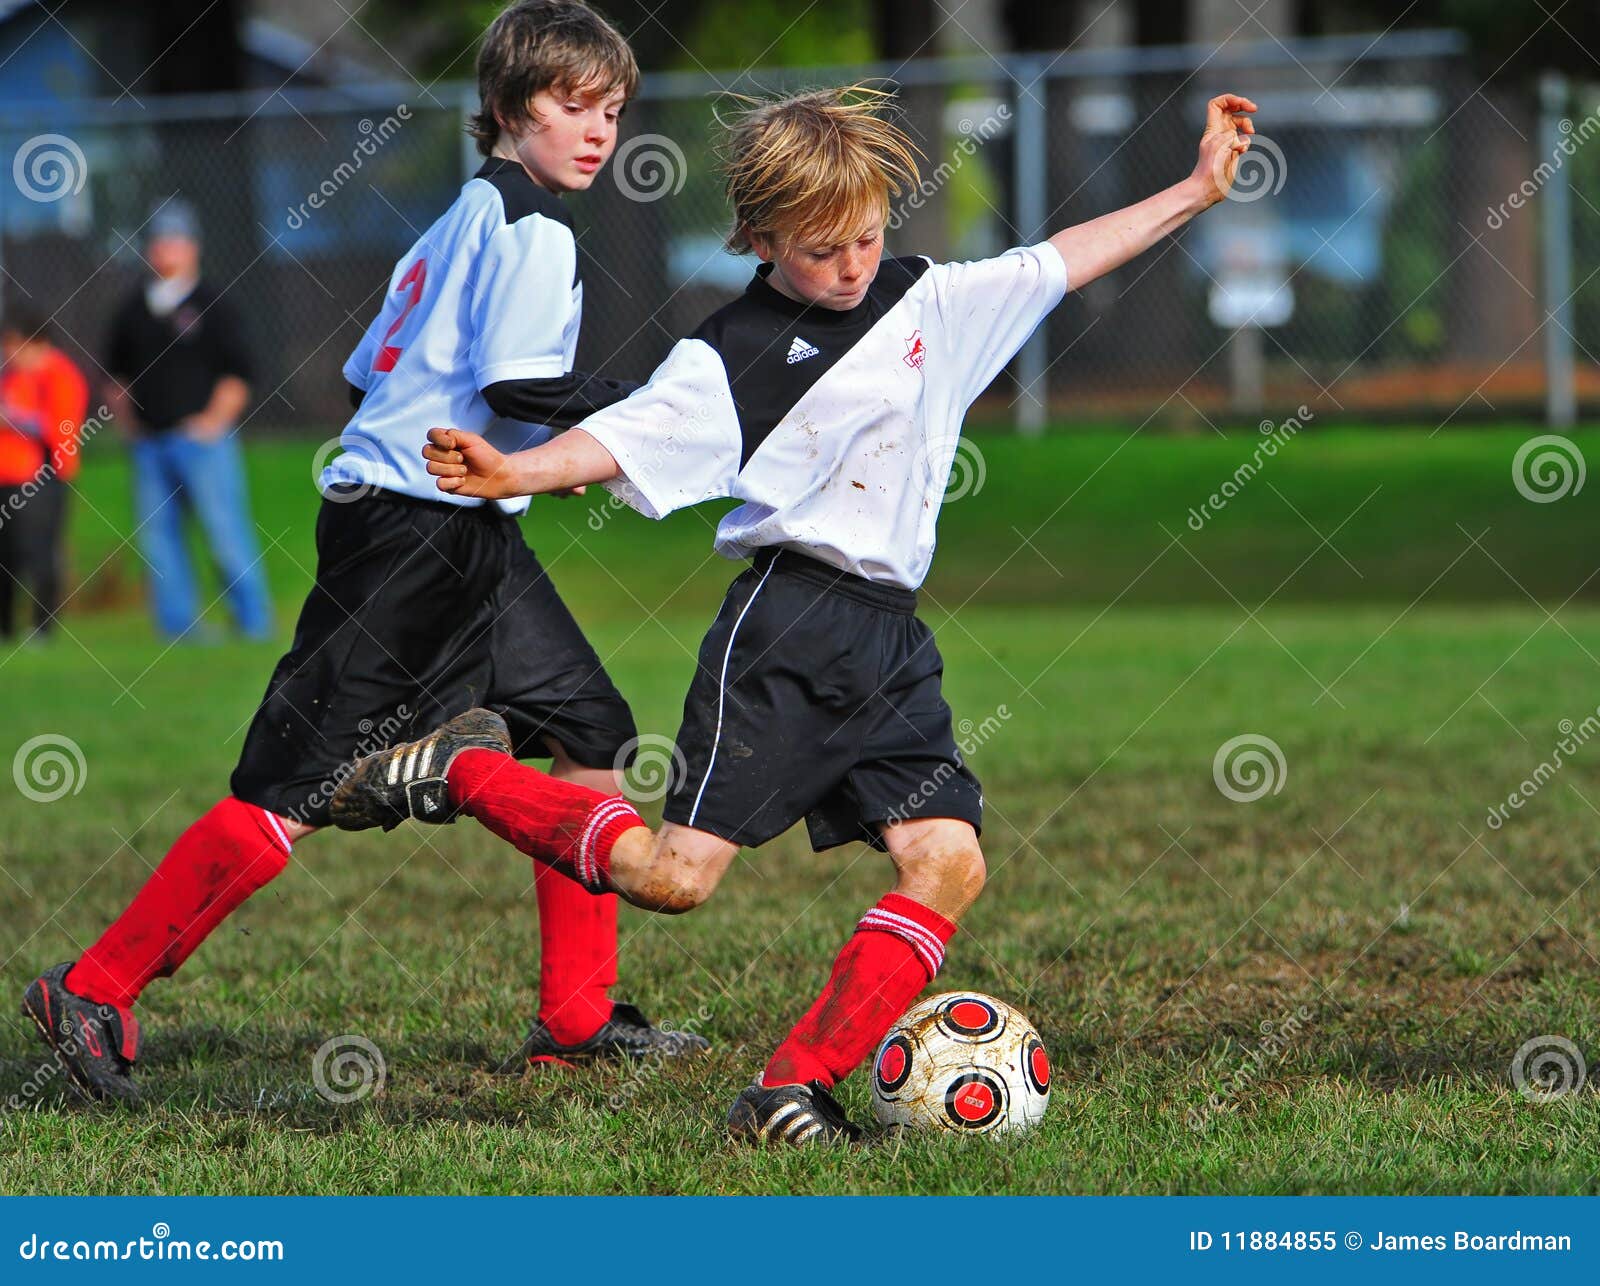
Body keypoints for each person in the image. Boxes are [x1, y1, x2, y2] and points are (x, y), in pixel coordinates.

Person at [331, 85, 1261, 1143]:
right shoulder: (729, 353)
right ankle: (463, 770)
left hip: (890, 638)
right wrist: (515, 471)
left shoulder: (929, 300)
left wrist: (1195, 190)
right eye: (822, 250)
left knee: (949, 860)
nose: (853, 266)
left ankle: (790, 1085)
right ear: (762, 238)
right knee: (674, 880)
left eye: (867, 237)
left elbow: (1060, 258)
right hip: (788, 628)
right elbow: (619, 437)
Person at [21, 0, 704, 1105]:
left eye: (613, 110)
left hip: (463, 526)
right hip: (410, 533)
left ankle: (577, 1017)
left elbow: (364, 378)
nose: (597, 130)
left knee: (591, 733)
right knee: (293, 787)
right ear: (506, 106)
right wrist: (660, 413)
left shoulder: (458, 217)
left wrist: (519, 446)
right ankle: (93, 987)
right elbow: (521, 382)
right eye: (571, 104)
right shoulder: (531, 226)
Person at [104, 198, 272, 641]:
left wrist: (213, 421)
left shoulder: (214, 304)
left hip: (203, 443)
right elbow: (115, 376)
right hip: (149, 444)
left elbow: (239, 373)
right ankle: (179, 629)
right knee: (159, 540)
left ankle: (253, 624)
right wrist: (130, 426)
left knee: (224, 531)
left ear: (193, 246)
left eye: (175, 241)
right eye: (158, 241)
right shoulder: (132, 309)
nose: (166, 250)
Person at [0, 303, 90, 640]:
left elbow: (62, 430)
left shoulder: (60, 375)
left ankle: (42, 628)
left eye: (15, 346)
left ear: (37, 343)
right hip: (7, 475)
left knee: (39, 553)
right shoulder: (11, 376)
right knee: (6, 555)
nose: (9, 354)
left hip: (43, 478)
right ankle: (6, 628)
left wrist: (14, 418)